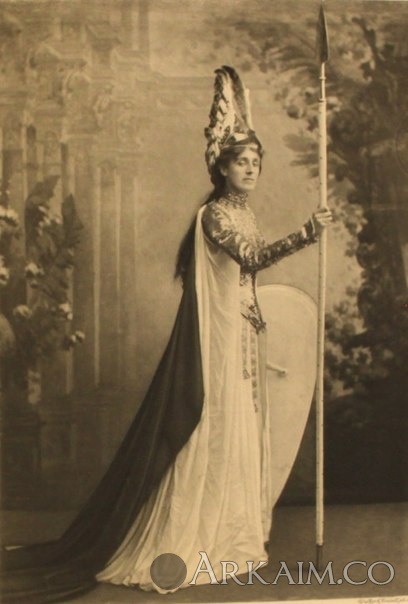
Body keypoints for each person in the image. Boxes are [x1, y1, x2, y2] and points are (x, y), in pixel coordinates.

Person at [1, 65, 332, 602]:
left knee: (241, 429)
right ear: (221, 167)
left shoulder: (245, 213)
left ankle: (232, 534)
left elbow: (245, 279)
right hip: (217, 346)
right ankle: (192, 536)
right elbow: (252, 259)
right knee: (212, 428)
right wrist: (307, 233)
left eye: (256, 161)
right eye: (241, 161)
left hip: (245, 338)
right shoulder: (215, 218)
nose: (250, 168)